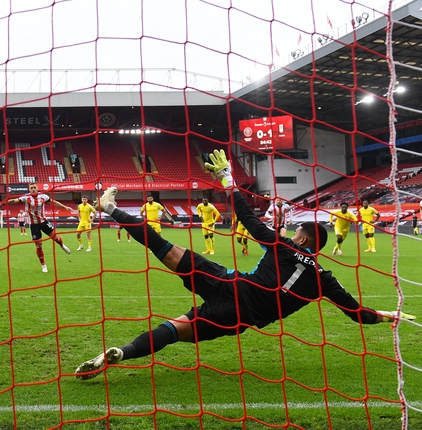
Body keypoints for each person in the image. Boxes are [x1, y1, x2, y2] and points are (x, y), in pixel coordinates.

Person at [75, 149, 416, 380]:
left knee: (163, 247)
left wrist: (227, 178)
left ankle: (110, 208)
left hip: (227, 283)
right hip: (238, 318)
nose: (292, 233)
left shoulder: (283, 247)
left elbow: (248, 218)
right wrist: (388, 315)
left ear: (305, 240)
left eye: (297, 232)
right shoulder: (326, 280)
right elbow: (358, 314)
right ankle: (122, 353)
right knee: (176, 330)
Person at [7, 182, 73, 273]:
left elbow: (54, 202)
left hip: (44, 222)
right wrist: (5, 202)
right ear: (29, 189)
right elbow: (14, 201)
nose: (33, 189)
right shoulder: (26, 197)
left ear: (37, 188)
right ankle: (43, 265)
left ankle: (62, 245)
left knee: (55, 238)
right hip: (34, 225)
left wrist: (65, 207)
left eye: (34, 187)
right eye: (31, 188)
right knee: (39, 245)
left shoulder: (43, 196)